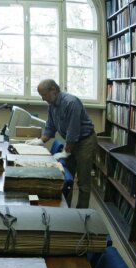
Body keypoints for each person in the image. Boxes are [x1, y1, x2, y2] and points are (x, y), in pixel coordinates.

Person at [37, 79, 97, 208]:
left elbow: (73, 131)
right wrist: (40, 141)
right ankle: (66, 208)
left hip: (85, 142)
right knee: (67, 178)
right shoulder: (52, 104)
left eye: (44, 95)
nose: (43, 99)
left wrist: (66, 152)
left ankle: (82, 213)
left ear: (53, 90)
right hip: (72, 142)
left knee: (83, 181)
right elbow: (50, 126)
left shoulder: (71, 102)